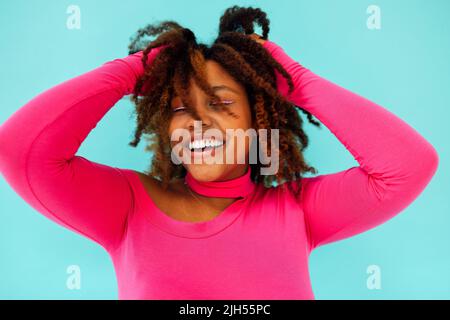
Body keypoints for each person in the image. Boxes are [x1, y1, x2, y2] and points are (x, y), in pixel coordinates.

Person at [0, 6, 439, 299]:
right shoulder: (127, 206)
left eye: (221, 102)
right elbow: (21, 152)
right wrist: (128, 72)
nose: (197, 122)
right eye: (178, 108)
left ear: (257, 122)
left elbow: (408, 167)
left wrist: (299, 82)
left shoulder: (297, 209)